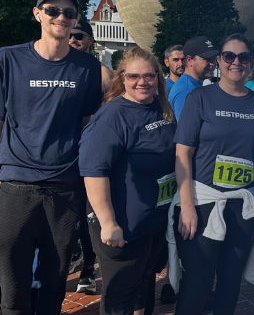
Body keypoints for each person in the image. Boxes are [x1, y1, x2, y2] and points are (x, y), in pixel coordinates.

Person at [0, 0, 102, 315]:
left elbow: (87, 123)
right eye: (53, 10)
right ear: (38, 13)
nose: (61, 17)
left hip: (64, 189)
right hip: (16, 187)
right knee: (13, 289)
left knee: (54, 284)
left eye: (69, 13)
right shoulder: (9, 59)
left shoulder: (86, 68)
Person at [171, 34, 254, 315]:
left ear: (250, 63)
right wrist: (187, 206)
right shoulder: (199, 97)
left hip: (243, 206)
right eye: (229, 56)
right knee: (198, 284)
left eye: (243, 57)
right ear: (218, 61)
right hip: (203, 202)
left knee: (229, 283)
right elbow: (182, 154)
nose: (236, 62)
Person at [79, 48, 176, 315]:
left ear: (158, 77)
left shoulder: (161, 108)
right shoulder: (111, 117)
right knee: (120, 297)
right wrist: (109, 224)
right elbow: (93, 172)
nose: (142, 82)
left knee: (144, 285)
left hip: (153, 220)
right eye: (134, 76)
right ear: (122, 78)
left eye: (149, 76)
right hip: (122, 226)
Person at [67, 19, 113, 294]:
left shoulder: (101, 73)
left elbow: (113, 113)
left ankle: (87, 270)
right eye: (70, 35)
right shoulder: (55, 66)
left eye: (79, 36)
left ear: (90, 41)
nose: (73, 39)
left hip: (87, 156)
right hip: (57, 157)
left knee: (87, 215)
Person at [168, 36, 218, 120]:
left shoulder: (192, 85)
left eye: (213, 58)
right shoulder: (186, 91)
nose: (212, 63)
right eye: (207, 59)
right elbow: (187, 131)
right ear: (189, 60)